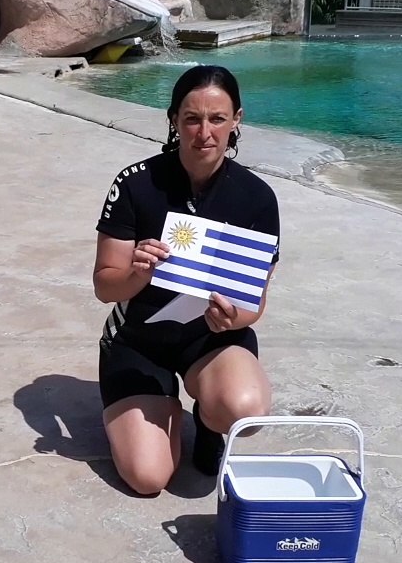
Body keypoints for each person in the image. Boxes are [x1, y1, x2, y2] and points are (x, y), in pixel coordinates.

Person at [92, 65, 281, 497]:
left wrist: (232, 318)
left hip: (209, 340)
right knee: (148, 478)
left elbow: (256, 301)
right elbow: (105, 286)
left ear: (237, 121)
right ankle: (159, 410)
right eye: (192, 118)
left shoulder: (257, 198)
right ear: (174, 120)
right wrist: (137, 273)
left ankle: (210, 424)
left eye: (217, 119)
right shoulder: (135, 184)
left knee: (243, 407)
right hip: (140, 339)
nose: (204, 132)